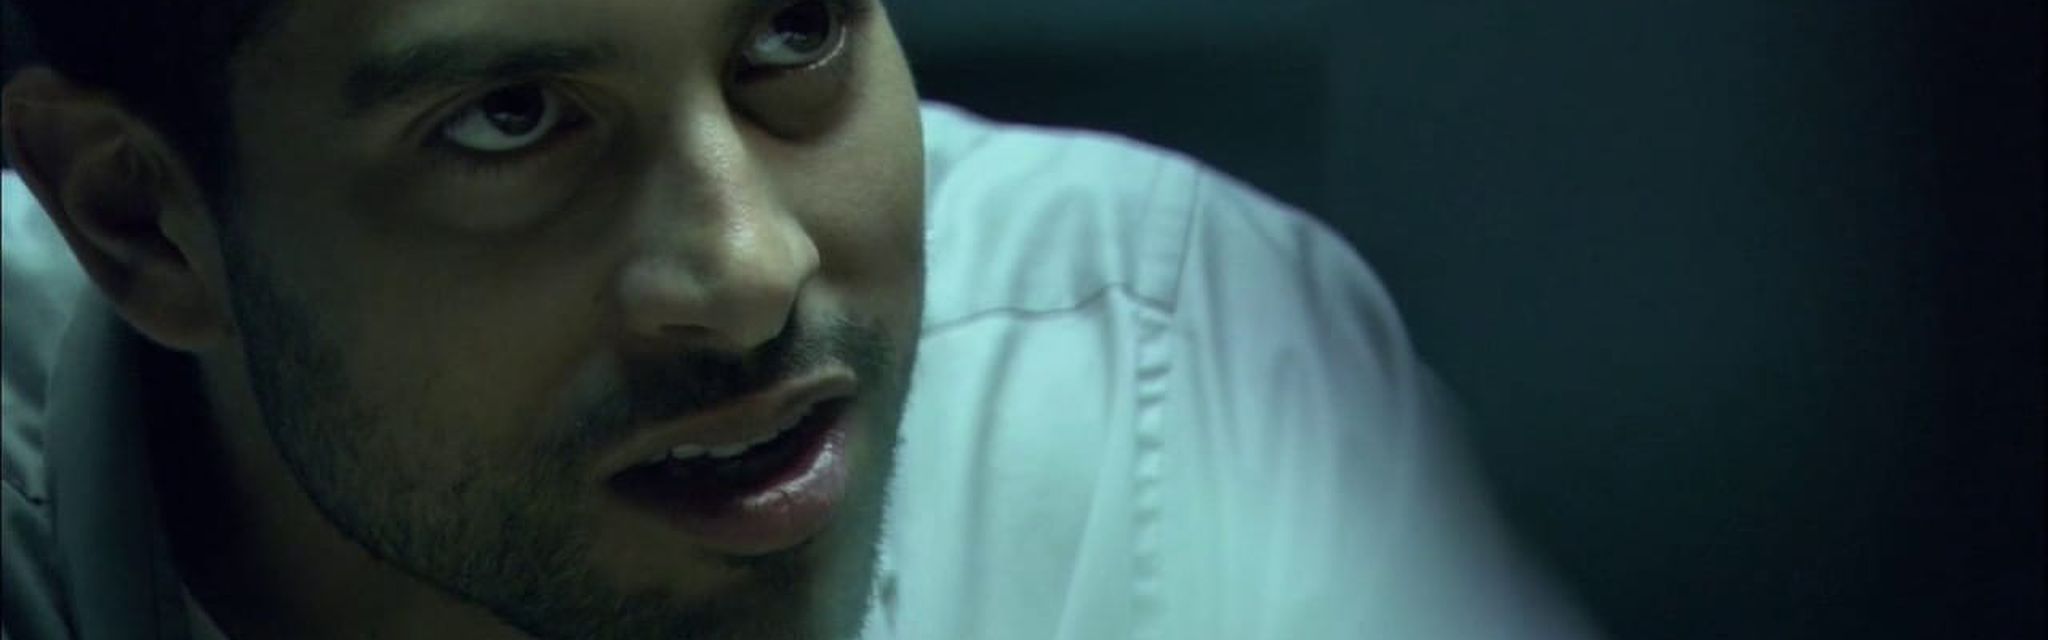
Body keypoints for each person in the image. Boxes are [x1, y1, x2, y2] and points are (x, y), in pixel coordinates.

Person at [0, 0, 1594, 638]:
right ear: (142, 220)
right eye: (510, 118)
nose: (751, 268)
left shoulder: (1176, 375)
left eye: (796, 29)